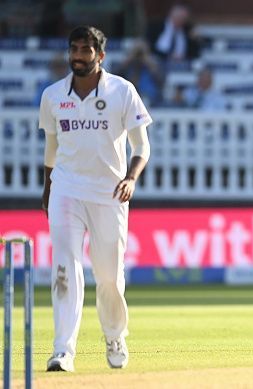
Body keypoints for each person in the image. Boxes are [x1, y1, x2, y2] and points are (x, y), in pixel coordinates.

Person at [39, 25, 152, 371]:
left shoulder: (122, 90)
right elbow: (52, 148)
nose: (77, 56)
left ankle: (115, 335)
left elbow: (142, 146)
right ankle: (63, 350)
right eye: (73, 49)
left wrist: (131, 178)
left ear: (100, 56)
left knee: (108, 275)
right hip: (66, 189)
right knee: (65, 268)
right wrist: (48, 187)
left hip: (109, 192)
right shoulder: (53, 95)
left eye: (85, 50)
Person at [115, 38, 164, 106]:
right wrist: (129, 59)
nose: (139, 56)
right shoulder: (128, 65)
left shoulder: (153, 63)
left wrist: (149, 63)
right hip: (128, 98)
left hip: (149, 99)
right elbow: (115, 77)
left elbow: (161, 82)